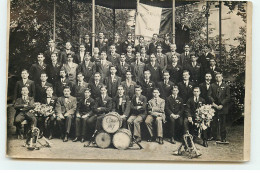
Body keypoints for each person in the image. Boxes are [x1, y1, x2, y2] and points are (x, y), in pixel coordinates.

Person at [208, 72, 230, 142]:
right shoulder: (212, 85)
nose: (218, 78)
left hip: (222, 107)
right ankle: (214, 136)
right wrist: (214, 104)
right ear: (215, 78)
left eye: (219, 77)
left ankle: (223, 137)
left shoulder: (226, 86)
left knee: (222, 123)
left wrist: (222, 104)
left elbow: (228, 97)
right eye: (216, 77)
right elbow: (209, 95)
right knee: (214, 122)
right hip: (214, 107)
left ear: (222, 77)